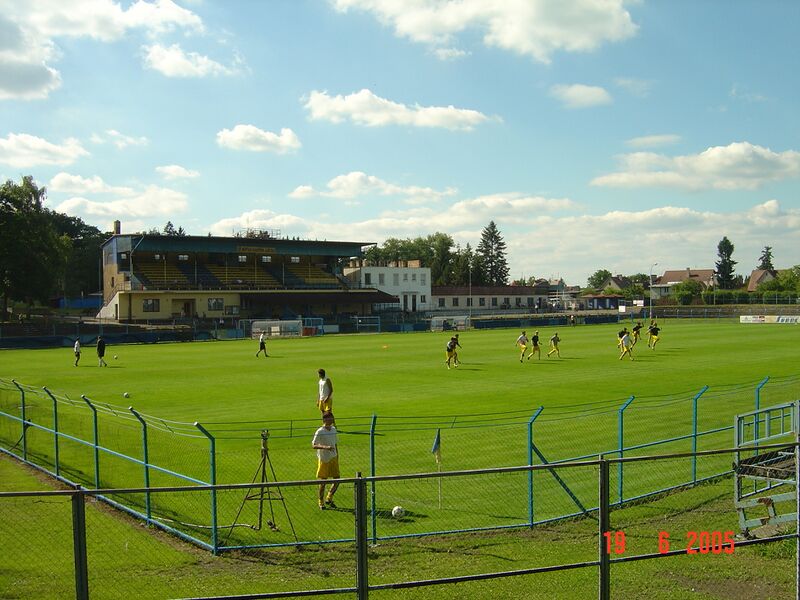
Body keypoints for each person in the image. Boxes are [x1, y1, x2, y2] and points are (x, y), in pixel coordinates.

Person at [311, 411, 340, 510]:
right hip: (324, 459)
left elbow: (335, 444)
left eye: (332, 418)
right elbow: (313, 445)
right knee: (323, 482)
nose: (331, 420)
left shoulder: (334, 429)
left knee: (337, 479)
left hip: (334, 458)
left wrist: (337, 455)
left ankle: (329, 497)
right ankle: (320, 501)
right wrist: (325, 447)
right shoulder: (320, 431)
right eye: (329, 419)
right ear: (324, 420)